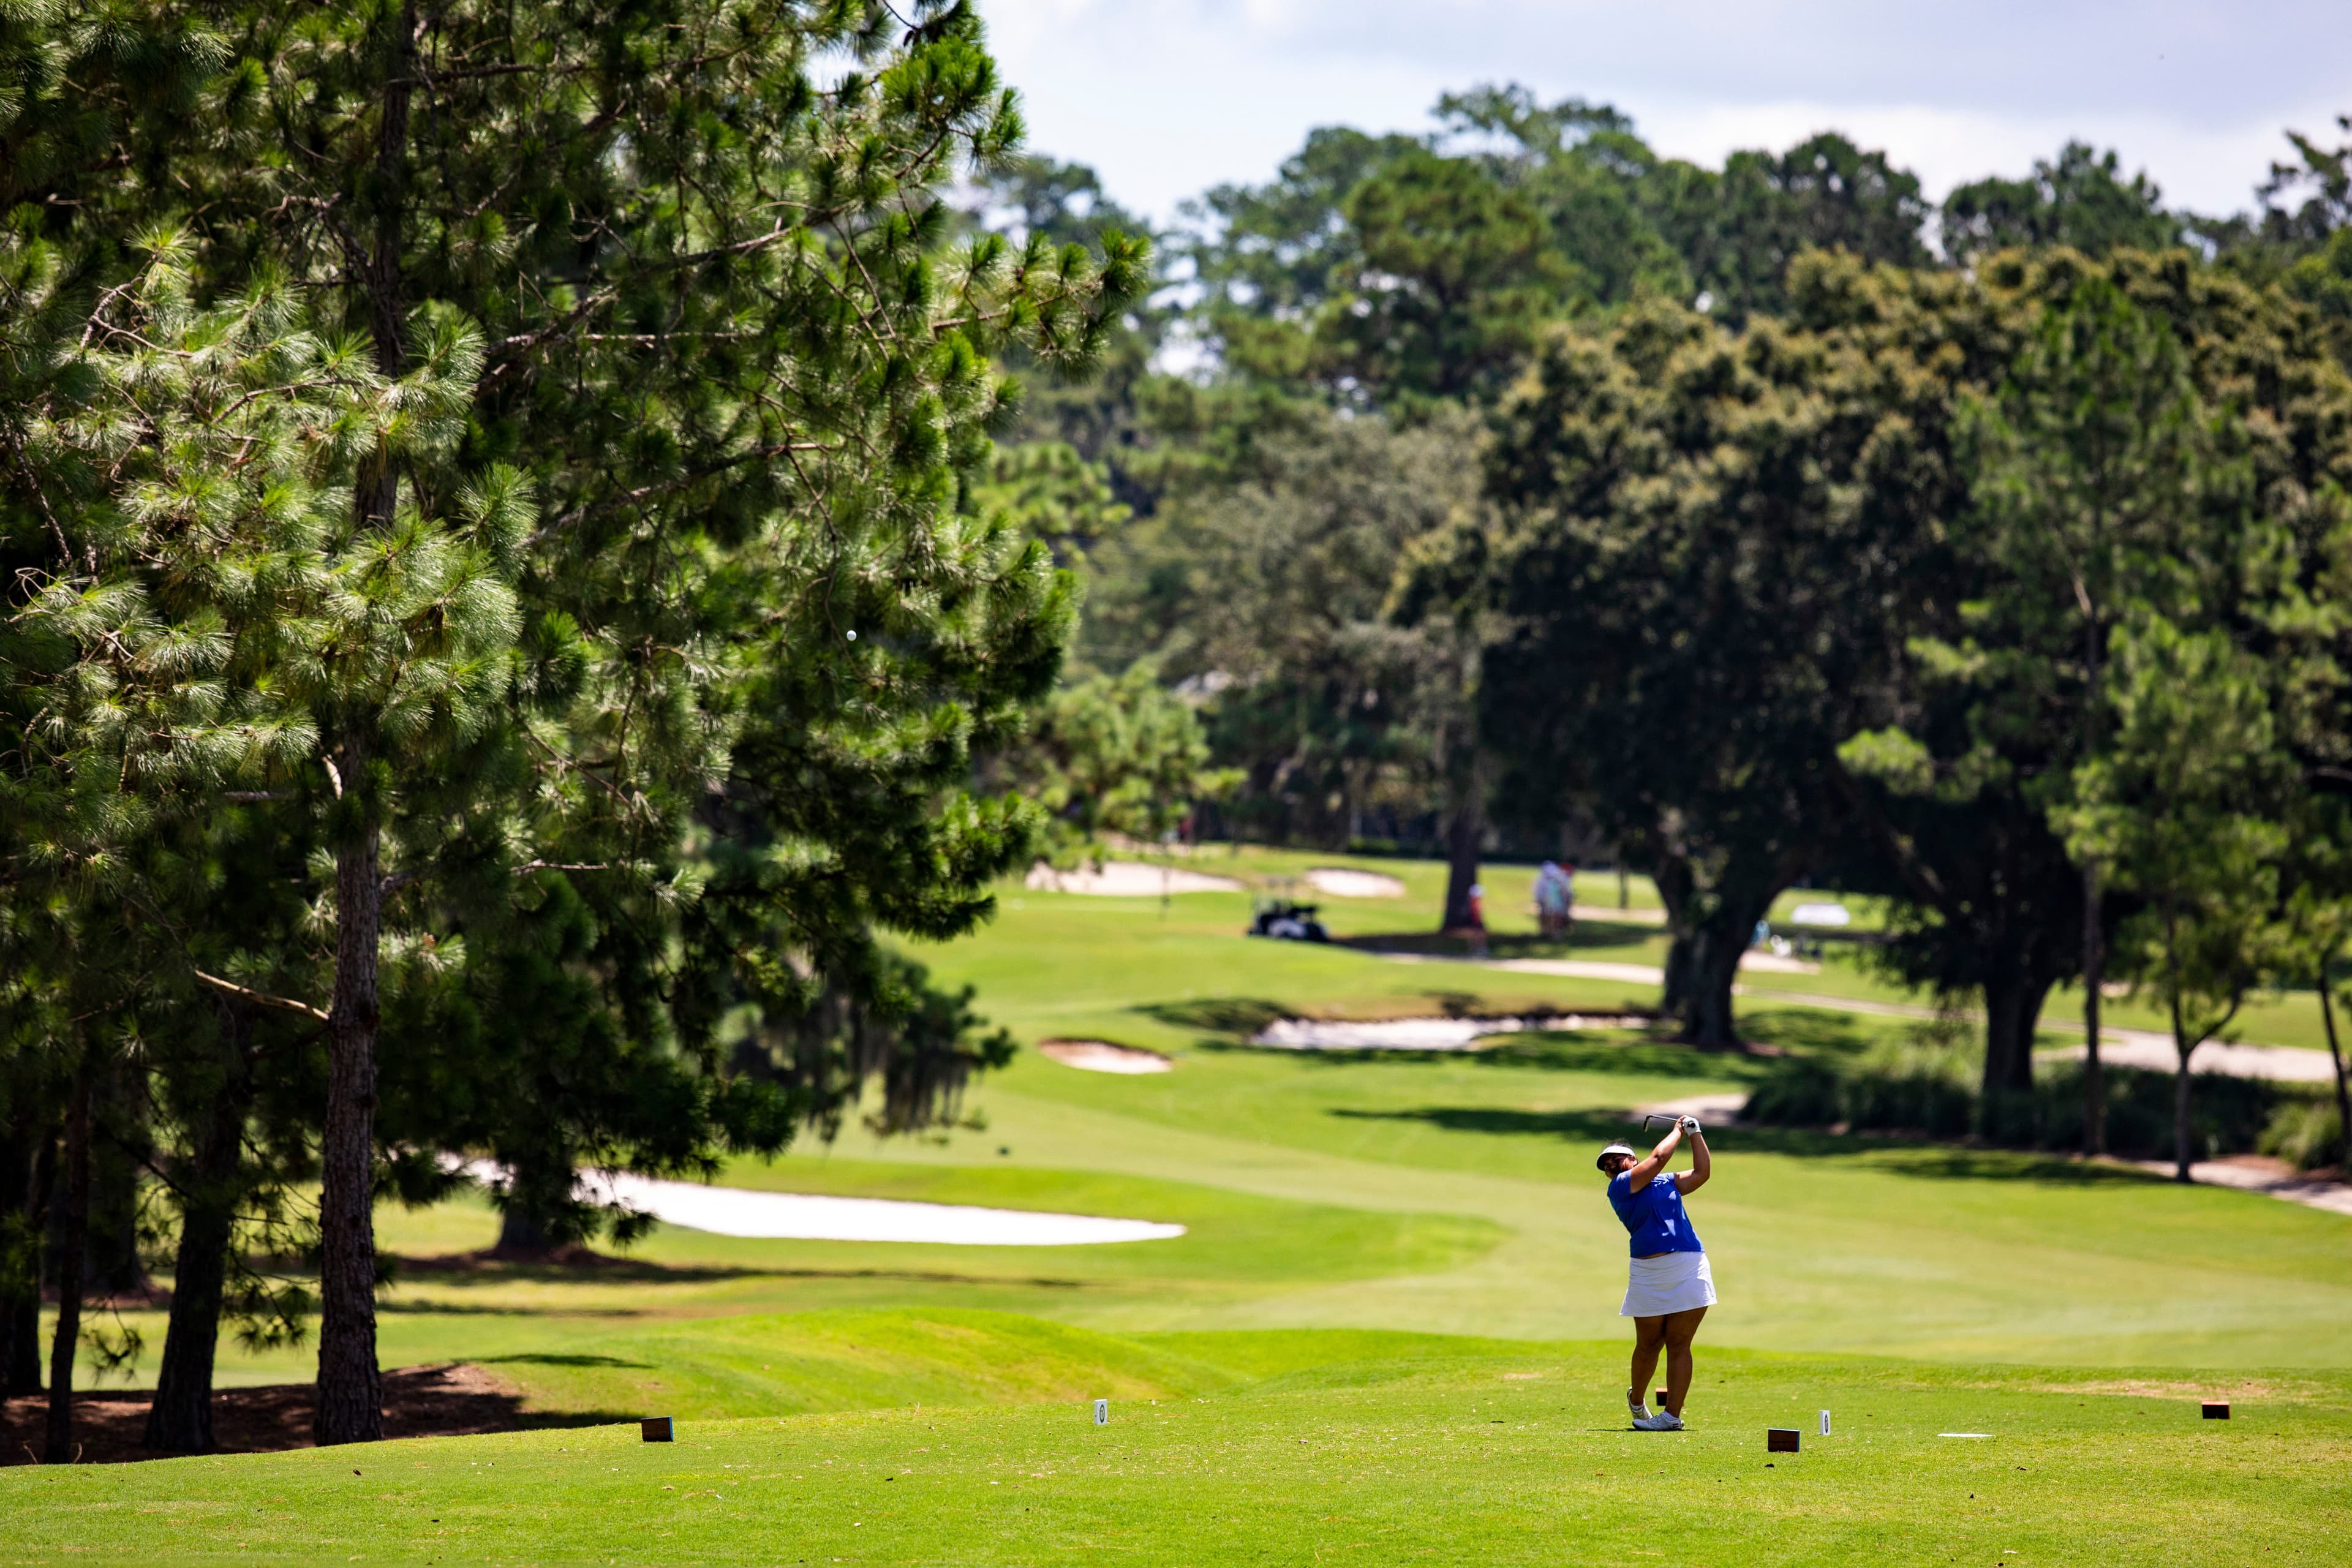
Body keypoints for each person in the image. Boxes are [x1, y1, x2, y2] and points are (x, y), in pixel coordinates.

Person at [1596, 1115, 1714, 1430]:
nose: (1611, 1166)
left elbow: (1702, 1173)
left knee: (1679, 1343)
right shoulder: (1620, 1188)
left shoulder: (1667, 1182)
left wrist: (1695, 1134)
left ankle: (1672, 1417)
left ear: (1631, 1159)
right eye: (1606, 1165)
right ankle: (1637, 1401)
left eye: (1616, 1159)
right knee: (1649, 1343)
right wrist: (1677, 1130)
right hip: (1649, 1270)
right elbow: (1659, 1157)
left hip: (1689, 1263)